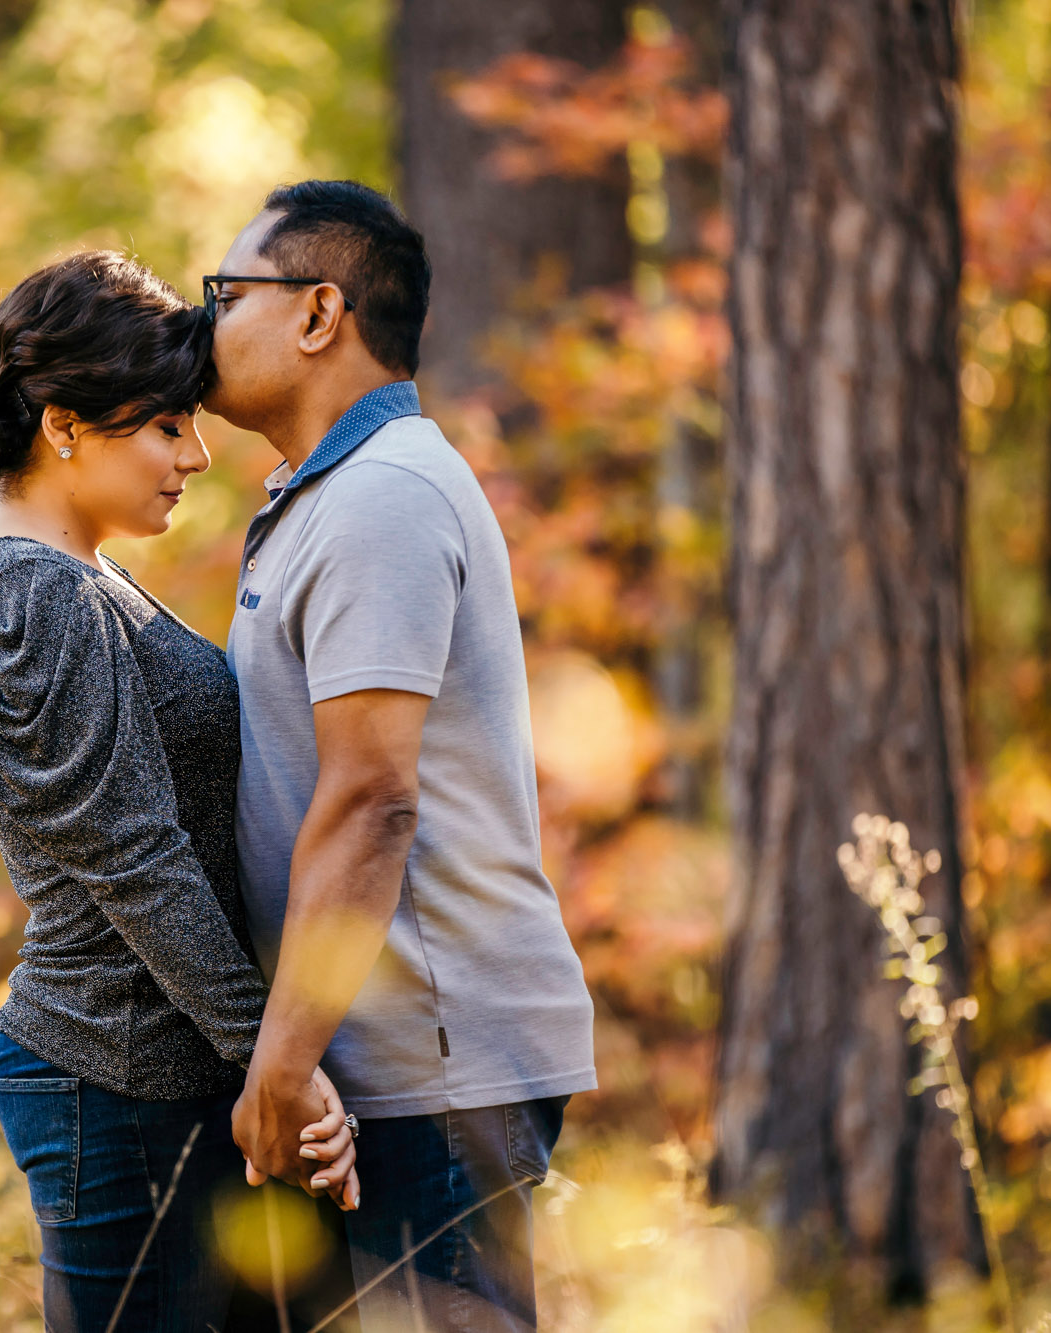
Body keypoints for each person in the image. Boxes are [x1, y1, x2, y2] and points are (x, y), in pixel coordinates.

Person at [0, 251, 358, 1333]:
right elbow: (133, 858)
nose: (199, 454)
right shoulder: (31, 599)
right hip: (115, 1078)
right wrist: (277, 1062)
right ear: (66, 424)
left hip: (164, 1070)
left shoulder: (72, 575)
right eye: (167, 425)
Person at [205, 180, 598, 1332]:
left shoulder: (382, 494)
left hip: (434, 1061)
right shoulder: (329, 496)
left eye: (226, 294)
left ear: (318, 313)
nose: (204, 324)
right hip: (384, 1059)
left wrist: (279, 1061)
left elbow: (374, 796)